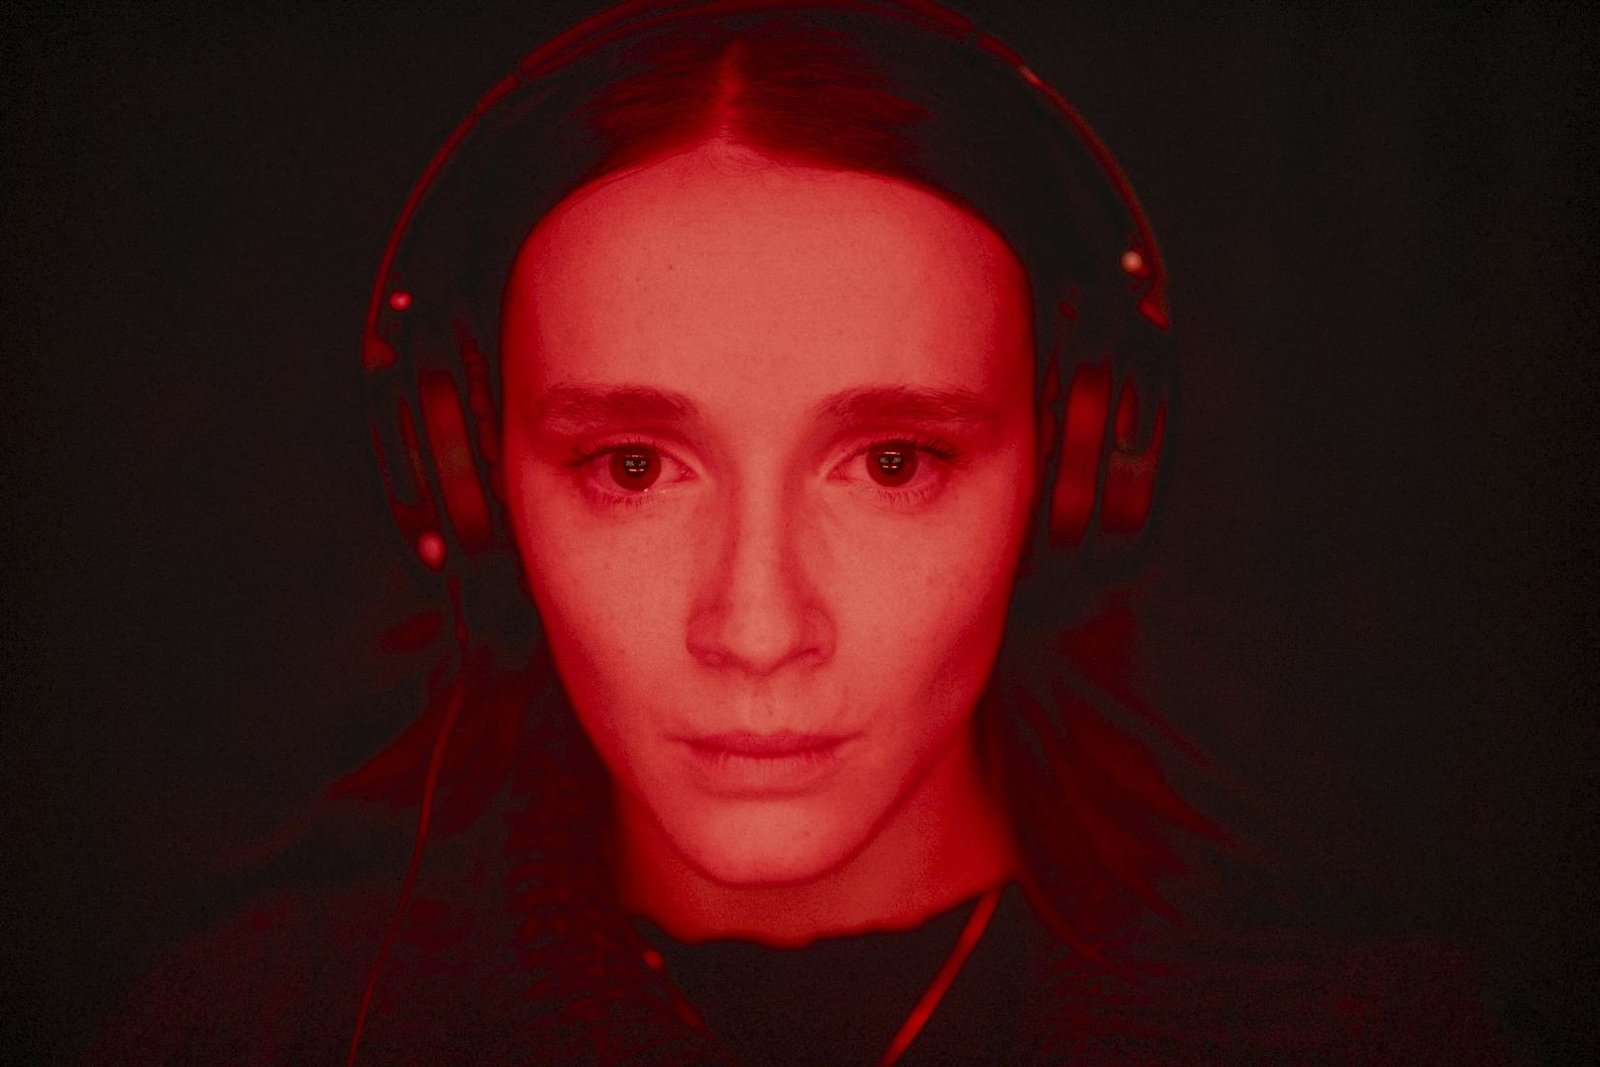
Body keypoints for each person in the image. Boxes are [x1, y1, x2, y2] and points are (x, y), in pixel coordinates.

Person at [89, 3, 1523, 1064]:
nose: (759, 627)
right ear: (465, 478)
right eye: (634, 466)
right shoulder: (249, 1032)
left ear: (1077, 465)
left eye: (893, 462)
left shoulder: (1376, 1039)